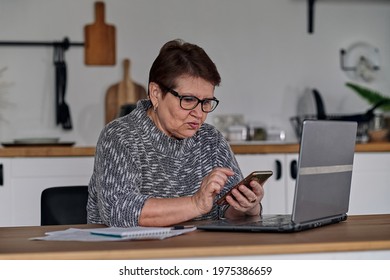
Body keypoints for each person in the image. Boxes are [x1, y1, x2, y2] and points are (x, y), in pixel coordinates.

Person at [87, 39, 264, 227]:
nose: (199, 113)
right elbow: (119, 210)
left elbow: (227, 211)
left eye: (206, 102)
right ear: (155, 93)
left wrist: (249, 206)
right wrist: (195, 203)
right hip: (130, 254)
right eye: (188, 100)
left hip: (197, 253)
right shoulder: (120, 136)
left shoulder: (211, 140)